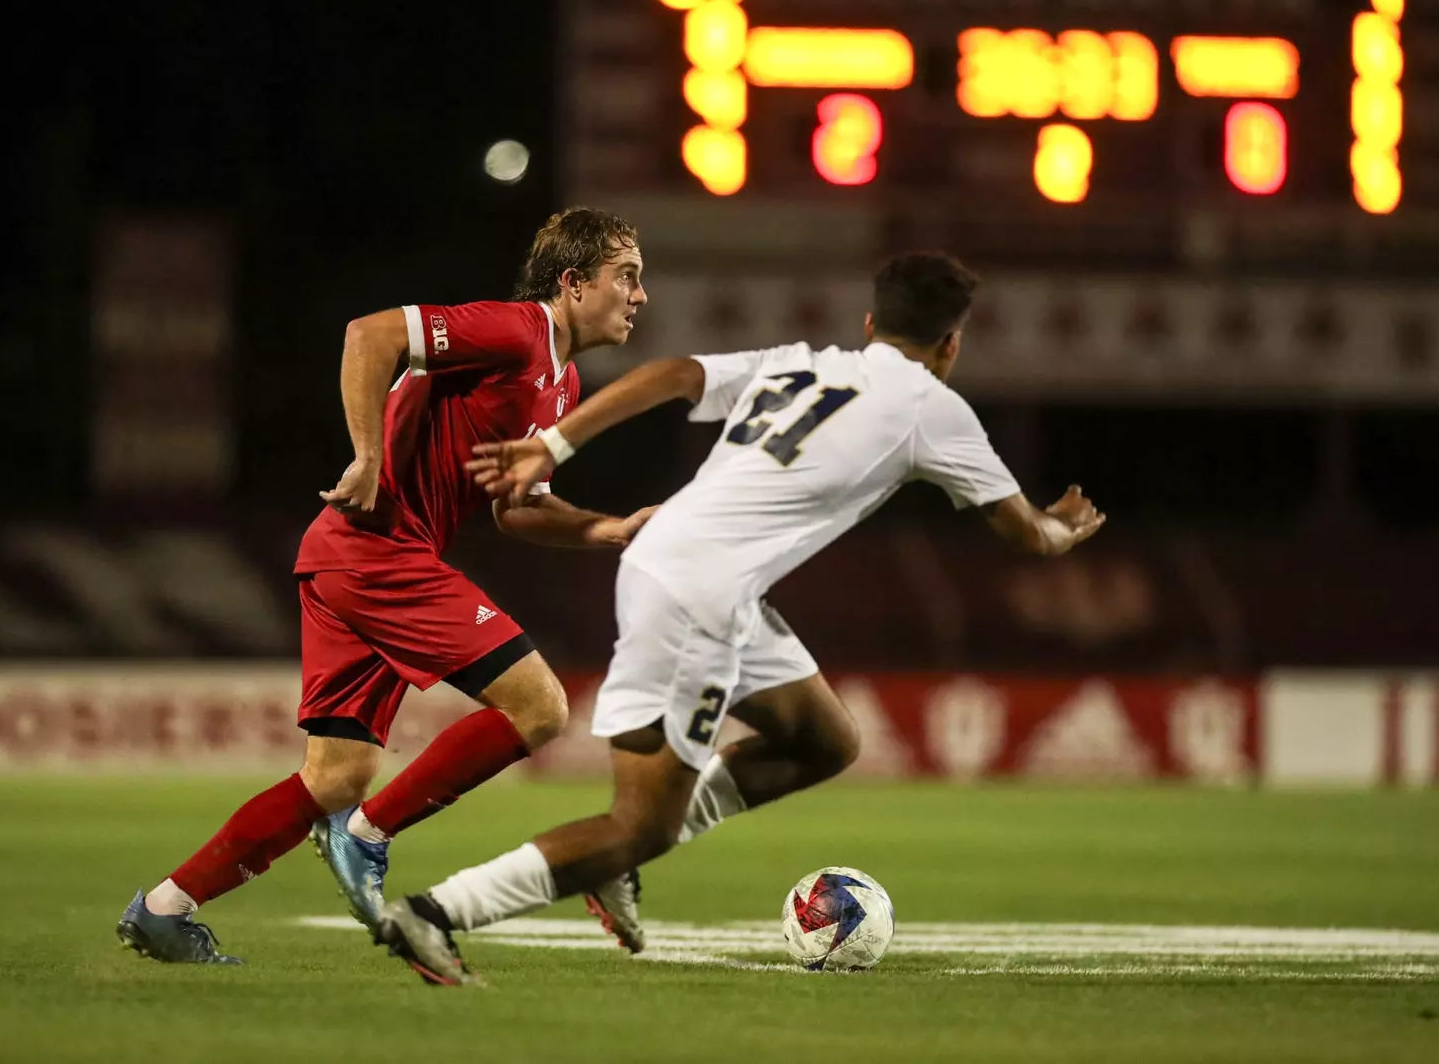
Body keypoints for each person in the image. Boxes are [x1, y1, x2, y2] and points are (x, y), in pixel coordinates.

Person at [371, 252, 1107, 985]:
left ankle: (613, 862)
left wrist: (554, 443)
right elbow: (1024, 535)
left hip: (689, 571)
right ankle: (434, 913)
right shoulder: (933, 409)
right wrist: (1064, 526)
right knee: (638, 826)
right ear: (951, 344)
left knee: (824, 740)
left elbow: (674, 374)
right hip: (700, 594)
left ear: (870, 324)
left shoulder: (799, 364)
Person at [116, 207, 655, 964]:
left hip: (347, 558)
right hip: (380, 554)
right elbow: (370, 334)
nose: (639, 296)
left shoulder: (560, 381)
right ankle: (369, 837)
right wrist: (366, 455)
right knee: (539, 707)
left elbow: (513, 508)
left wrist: (605, 528)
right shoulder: (516, 330)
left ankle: (166, 908)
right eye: (625, 276)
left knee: (336, 777)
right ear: (571, 282)